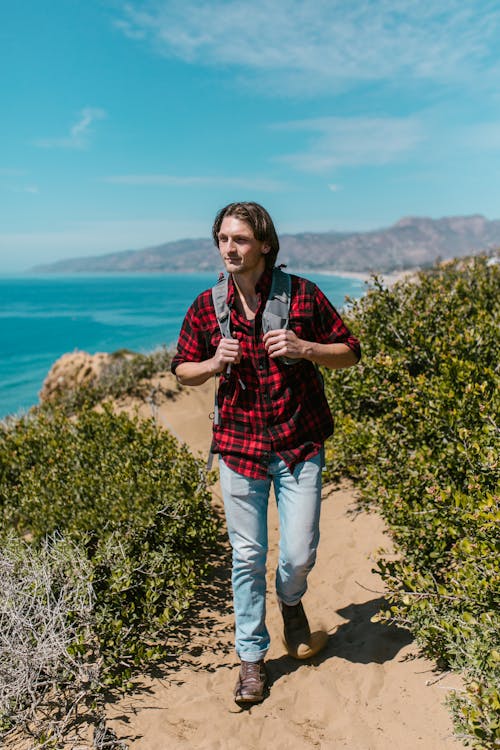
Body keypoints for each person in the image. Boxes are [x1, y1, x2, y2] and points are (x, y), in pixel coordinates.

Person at [171, 202, 360, 706]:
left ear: (266, 246)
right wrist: (212, 362)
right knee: (247, 557)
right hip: (238, 447)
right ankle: (251, 660)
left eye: (240, 240)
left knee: (298, 553)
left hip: (298, 445)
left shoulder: (303, 296)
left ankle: (291, 600)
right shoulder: (207, 306)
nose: (229, 249)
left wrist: (305, 348)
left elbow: (350, 352)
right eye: (223, 239)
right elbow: (181, 368)